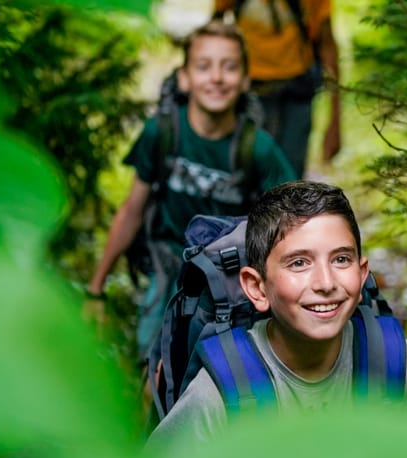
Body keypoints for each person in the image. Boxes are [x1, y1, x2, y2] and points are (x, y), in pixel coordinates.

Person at [148, 180, 407, 445]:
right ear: (257, 288)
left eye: (341, 259)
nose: (326, 283)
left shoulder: (402, 370)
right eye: (299, 263)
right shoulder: (221, 396)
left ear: (362, 272)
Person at [86, 20, 296, 364]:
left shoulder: (258, 150)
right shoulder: (162, 132)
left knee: (221, 363)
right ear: (184, 77)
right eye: (203, 66)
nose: (216, 77)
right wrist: (96, 288)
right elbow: (132, 210)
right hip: (167, 259)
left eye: (229, 67)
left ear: (245, 80)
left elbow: (289, 224)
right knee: (152, 356)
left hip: (230, 267)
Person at [213, 0, 341, 178]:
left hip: (297, 92)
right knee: (246, 173)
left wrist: (335, 123)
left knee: (290, 178)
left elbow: (327, 43)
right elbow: (213, 36)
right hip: (250, 91)